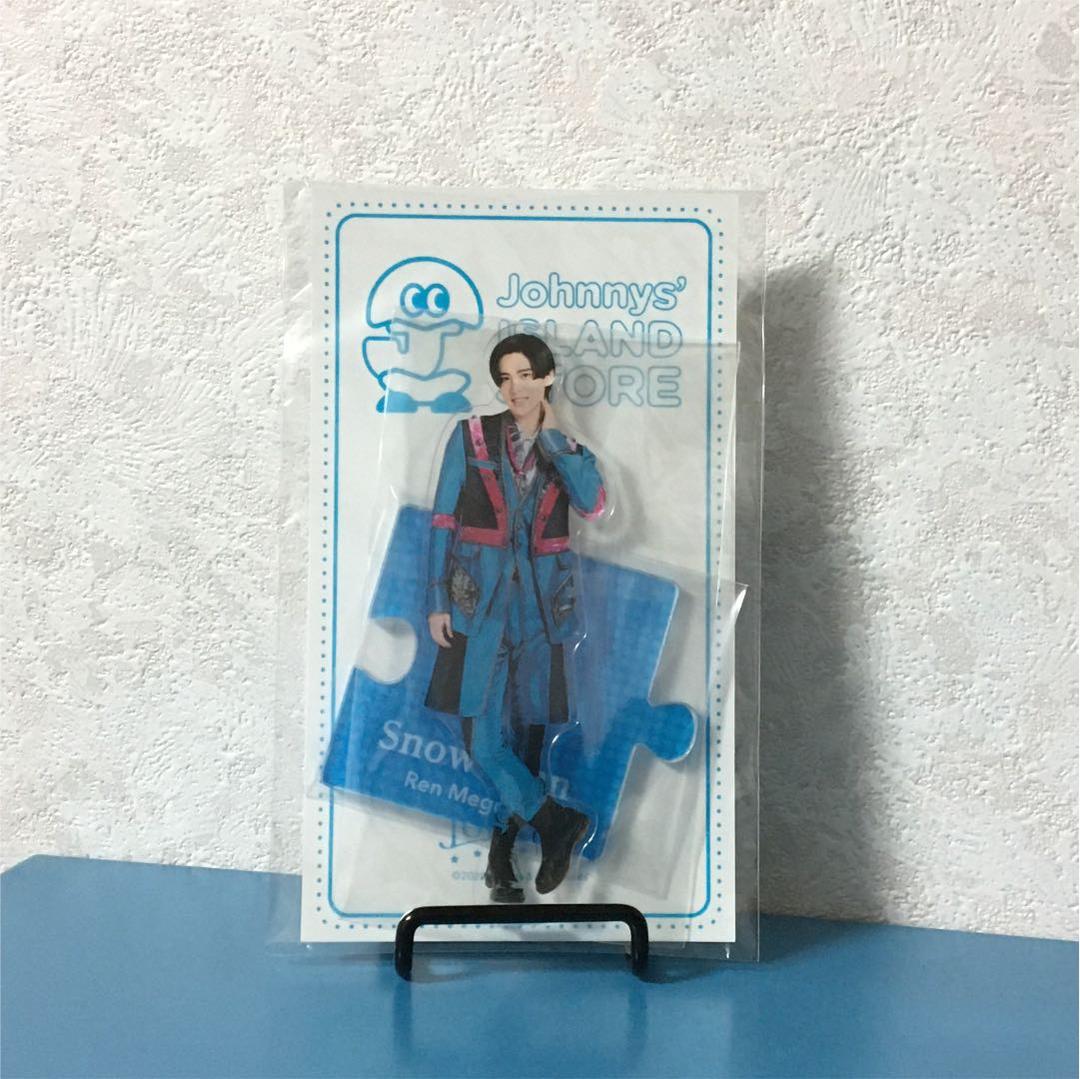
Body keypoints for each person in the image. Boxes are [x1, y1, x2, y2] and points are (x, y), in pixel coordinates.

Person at [424, 333, 606, 900]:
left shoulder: (567, 448)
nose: (515, 388)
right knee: (482, 740)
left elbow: (593, 504)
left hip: (543, 612)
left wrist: (552, 437)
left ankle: (500, 862)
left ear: (547, 377)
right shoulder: (471, 435)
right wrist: (436, 599)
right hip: (478, 607)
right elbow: (443, 519)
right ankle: (556, 822)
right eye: (505, 378)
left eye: (526, 375)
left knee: (528, 737)